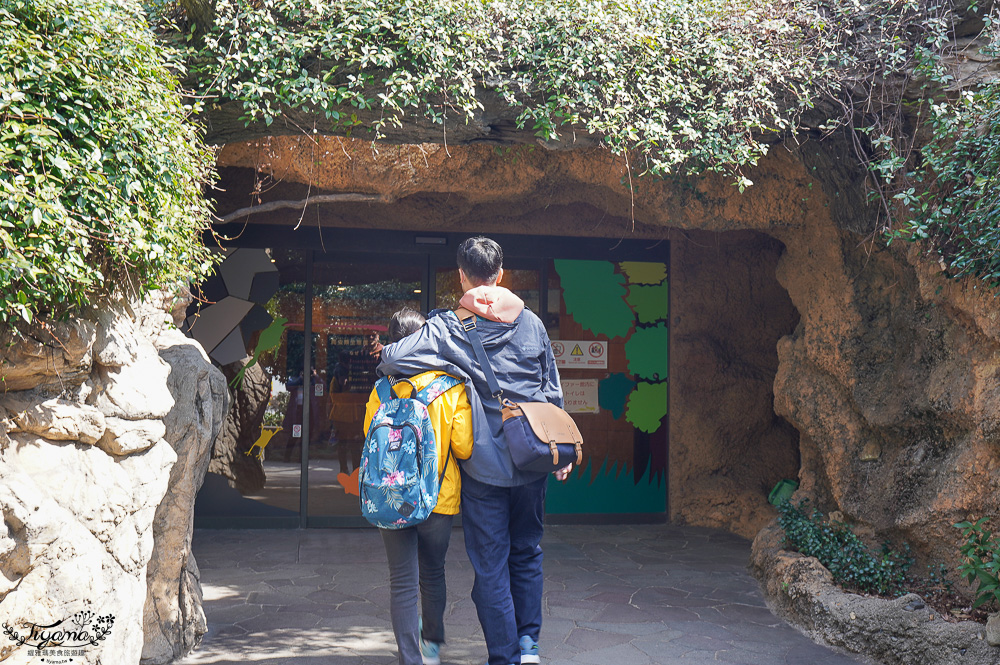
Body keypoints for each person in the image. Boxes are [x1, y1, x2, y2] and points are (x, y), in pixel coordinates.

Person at [379, 237, 570, 665]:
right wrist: (559, 451)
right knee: (527, 552)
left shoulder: (447, 327)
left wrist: (449, 364)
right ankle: (529, 648)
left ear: (461, 276)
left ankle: (503, 657)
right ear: (501, 274)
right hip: (535, 460)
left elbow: (393, 358)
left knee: (491, 567)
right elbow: (551, 389)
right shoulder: (534, 323)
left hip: (484, 472)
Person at [363, 308, 473, 665]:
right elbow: (465, 447)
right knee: (433, 573)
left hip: (392, 498)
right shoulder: (450, 387)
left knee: (402, 582)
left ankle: (410, 658)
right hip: (437, 499)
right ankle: (432, 648)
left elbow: (370, 438)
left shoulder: (381, 389)